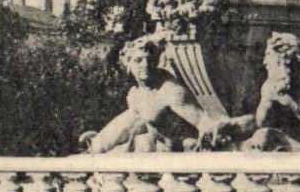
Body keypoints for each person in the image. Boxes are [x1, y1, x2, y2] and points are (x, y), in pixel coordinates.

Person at [82, 36, 247, 153]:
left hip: (181, 150)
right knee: (140, 143)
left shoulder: (169, 90)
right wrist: (99, 142)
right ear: (128, 65)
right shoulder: (136, 93)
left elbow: (199, 119)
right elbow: (129, 123)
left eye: (149, 59)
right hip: (158, 146)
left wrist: (217, 131)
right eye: (138, 60)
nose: (145, 65)